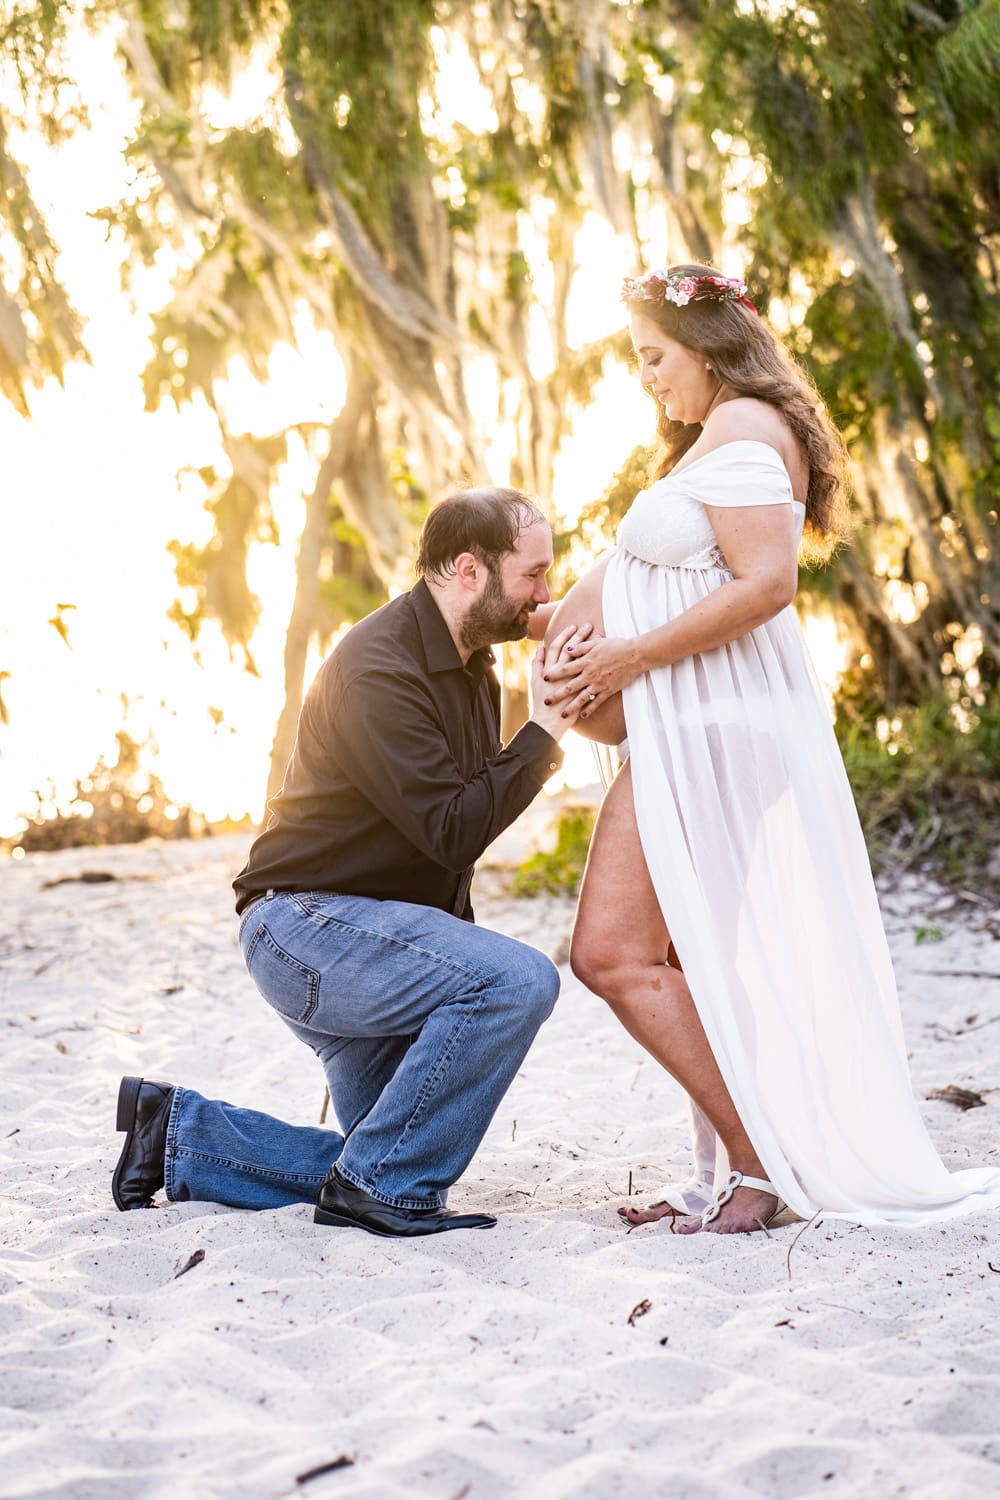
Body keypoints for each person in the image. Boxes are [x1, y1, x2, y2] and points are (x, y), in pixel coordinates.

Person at [537, 263, 1000, 1234]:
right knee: (684, 957)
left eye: (652, 357)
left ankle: (760, 1168)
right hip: (695, 731)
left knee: (611, 954)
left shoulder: (746, 433)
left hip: (713, 735)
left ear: (707, 349)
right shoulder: (725, 435)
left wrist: (623, 657)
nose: (647, 378)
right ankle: (727, 1172)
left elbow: (765, 586)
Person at [112, 487, 586, 1238]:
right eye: (533, 574)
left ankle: (176, 1134)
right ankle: (380, 1190)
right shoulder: (378, 667)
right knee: (520, 980)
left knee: (388, 1153)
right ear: (469, 570)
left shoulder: (473, 670)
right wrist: (546, 729)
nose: (545, 593)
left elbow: (449, 845)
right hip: (305, 929)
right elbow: (452, 830)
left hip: (372, 936)